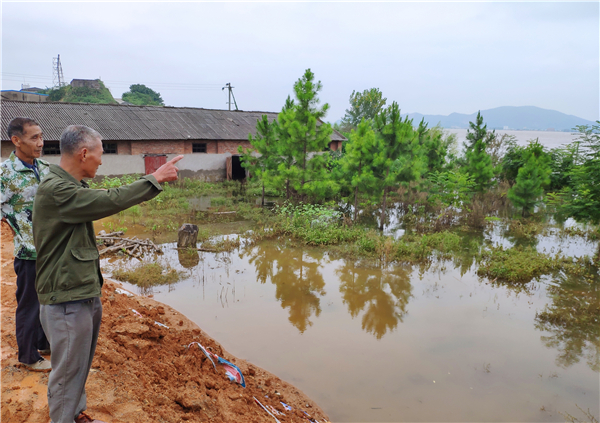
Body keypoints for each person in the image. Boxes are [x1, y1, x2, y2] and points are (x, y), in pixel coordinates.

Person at [33, 125, 183, 423]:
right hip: (66, 298)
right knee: (66, 373)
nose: (101, 161)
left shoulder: (70, 186)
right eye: (100, 154)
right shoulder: (57, 190)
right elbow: (109, 200)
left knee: (77, 367)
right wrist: (153, 180)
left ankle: (74, 414)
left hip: (79, 291)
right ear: (84, 153)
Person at [0, 117, 52, 371]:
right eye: (34, 138)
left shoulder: (45, 168)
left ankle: (42, 344)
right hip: (28, 252)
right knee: (29, 305)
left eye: (41, 137)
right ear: (16, 140)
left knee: (47, 302)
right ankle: (28, 357)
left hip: (51, 250)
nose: (40, 143)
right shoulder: (4, 174)